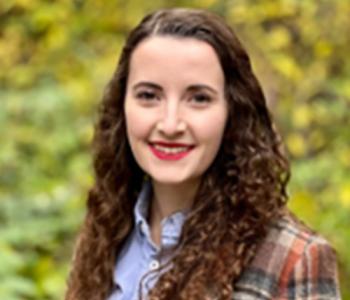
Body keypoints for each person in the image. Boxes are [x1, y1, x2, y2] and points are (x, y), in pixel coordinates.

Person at [64, 8, 341, 300]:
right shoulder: (105, 234)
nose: (170, 124)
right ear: (122, 106)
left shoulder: (294, 258)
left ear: (232, 112)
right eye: (148, 96)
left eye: (199, 98)